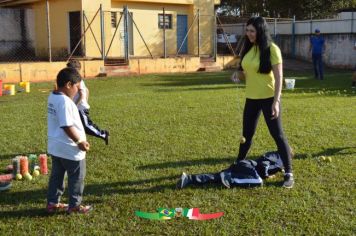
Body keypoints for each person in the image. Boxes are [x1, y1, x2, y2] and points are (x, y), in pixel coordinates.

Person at [232, 16, 294, 188]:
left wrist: (276, 101)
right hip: (251, 98)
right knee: (247, 135)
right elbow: (245, 71)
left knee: (278, 135)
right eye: (247, 30)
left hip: (268, 99)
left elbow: (280, 77)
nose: (249, 34)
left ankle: (289, 173)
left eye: (252, 31)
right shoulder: (248, 49)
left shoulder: (272, 49)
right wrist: (238, 74)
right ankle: (238, 163)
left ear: (260, 31)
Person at [47, 67, 92, 214]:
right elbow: (66, 125)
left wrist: (79, 96)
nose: (78, 91)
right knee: (77, 177)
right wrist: (79, 140)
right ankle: (75, 205)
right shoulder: (65, 102)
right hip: (69, 148)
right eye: (77, 87)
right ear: (68, 85)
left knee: (57, 176)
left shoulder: (53, 96)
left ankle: (52, 203)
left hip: (56, 147)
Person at [177, 151, 287, 189]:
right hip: (248, 167)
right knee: (258, 181)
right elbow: (264, 164)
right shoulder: (279, 158)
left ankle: (189, 179)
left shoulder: (276, 156)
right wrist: (266, 175)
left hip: (244, 167)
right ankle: (232, 179)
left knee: (216, 177)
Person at [67, 60, 110, 145]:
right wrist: (85, 101)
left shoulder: (77, 80)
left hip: (80, 108)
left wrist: (75, 105)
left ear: (75, 70)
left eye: (69, 70)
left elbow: (81, 93)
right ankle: (77, 141)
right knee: (76, 126)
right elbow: (87, 90)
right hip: (80, 107)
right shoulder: (76, 79)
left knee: (86, 126)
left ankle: (104, 134)